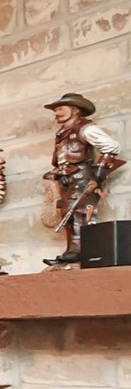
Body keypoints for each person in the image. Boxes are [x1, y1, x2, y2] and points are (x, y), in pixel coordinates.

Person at [42, 93, 124, 265]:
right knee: (68, 213)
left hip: (82, 178)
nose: (56, 113)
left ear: (74, 110)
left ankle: (84, 250)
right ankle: (73, 249)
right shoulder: (64, 133)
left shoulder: (85, 129)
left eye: (60, 109)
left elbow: (111, 146)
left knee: (80, 212)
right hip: (68, 180)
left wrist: (99, 174)